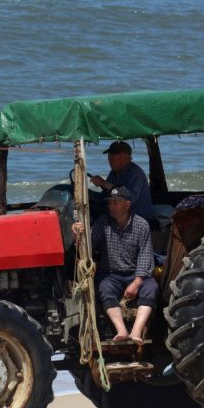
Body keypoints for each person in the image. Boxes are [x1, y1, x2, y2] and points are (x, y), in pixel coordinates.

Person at [72, 186, 158, 344]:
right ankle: (121, 330)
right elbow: (87, 247)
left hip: (135, 273)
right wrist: (78, 235)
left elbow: (145, 256)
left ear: (127, 204)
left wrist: (137, 282)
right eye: (110, 203)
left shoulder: (141, 225)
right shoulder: (102, 222)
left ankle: (136, 331)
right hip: (111, 274)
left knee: (151, 287)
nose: (111, 206)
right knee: (104, 288)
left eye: (116, 203)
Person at [90, 140, 154, 220]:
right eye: (109, 158)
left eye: (112, 158)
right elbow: (106, 195)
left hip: (138, 215)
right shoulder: (114, 173)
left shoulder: (135, 173)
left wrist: (104, 183)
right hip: (119, 214)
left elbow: (129, 199)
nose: (110, 161)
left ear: (124, 157)